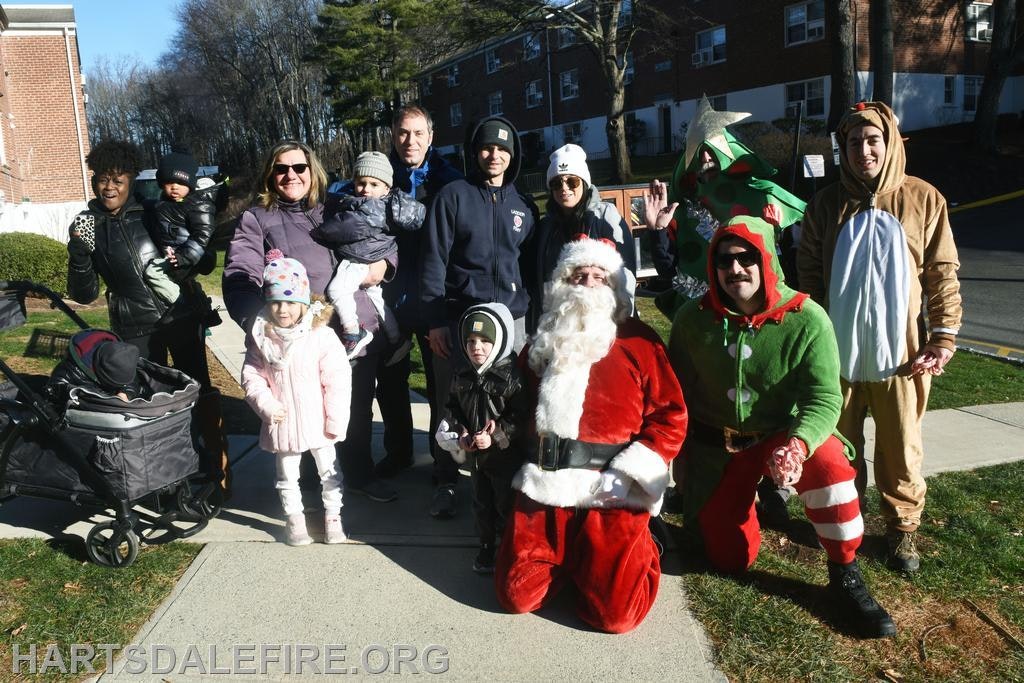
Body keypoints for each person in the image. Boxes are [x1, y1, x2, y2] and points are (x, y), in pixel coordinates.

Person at [669, 215, 896, 639]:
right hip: (717, 449)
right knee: (728, 559)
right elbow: (675, 397)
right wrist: (681, 459)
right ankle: (753, 504)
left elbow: (825, 398)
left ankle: (845, 571)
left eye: (746, 257)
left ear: (767, 258)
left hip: (781, 436)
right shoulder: (691, 319)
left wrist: (798, 444)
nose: (734, 269)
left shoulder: (808, 319)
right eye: (723, 260)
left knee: (830, 467)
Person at [797, 101, 963, 573]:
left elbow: (941, 273)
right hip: (837, 357)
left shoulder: (924, 199)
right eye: (854, 143)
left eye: (873, 140)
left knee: (901, 447)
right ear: (843, 150)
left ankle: (901, 530)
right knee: (838, 448)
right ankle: (843, 520)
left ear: (889, 143)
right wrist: (809, 335)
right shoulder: (827, 204)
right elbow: (808, 271)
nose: (864, 151)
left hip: (902, 357)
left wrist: (943, 337)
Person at [495, 237, 686, 634]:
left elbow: (672, 416)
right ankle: (574, 559)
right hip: (548, 482)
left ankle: (645, 544)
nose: (587, 284)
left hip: (614, 488)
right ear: (563, 283)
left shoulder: (640, 341)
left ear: (614, 288)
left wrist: (632, 472)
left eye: (599, 277)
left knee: (615, 616)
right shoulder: (542, 341)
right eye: (578, 275)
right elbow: (512, 406)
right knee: (516, 596)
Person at [223, 140, 398, 504]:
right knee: (300, 408)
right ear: (270, 174)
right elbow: (241, 272)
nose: (291, 175)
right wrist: (257, 321)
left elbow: (381, 234)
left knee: (353, 407)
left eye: (299, 167)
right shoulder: (256, 218)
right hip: (300, 339)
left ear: (312, 170)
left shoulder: (337, 205)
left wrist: (384, 265)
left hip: (352, 332)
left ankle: (358, 474)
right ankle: (305, 483)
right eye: (281, 168)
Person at [67, 140, 230, 495]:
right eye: (102, 180)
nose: (109, 187)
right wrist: (79, 253)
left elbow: (204, 262)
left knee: (196, 393)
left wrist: (194, 256)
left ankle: (215, 468)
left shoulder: (154, 211)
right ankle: (165, 480)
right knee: (149, 405)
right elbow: (83, 294)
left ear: (130, 181)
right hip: (134, 328)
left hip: (180, 317)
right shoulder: (88, 224)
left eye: (118, 180)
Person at [420, 115, 538, 519]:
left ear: (513, 155)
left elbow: (532, 267)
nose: (494, 155)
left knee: (510, 401)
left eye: (503, 149)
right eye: (487, 147)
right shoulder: (453, 196)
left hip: (512, 320)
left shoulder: (523, 205)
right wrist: (436, 320)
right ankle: (446, 479)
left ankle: (509, 477)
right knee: (451, 400)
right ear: (475, 152)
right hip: (460, 319)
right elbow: (433, 260)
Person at [644, 95, 805, 315]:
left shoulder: (761, 196)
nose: (706, 157)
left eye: (711, 147)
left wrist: (777, 235)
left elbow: (795, 263)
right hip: (705, 319)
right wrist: (658, 230)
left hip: (758, 314)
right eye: (699, 151)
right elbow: (669, 272)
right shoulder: (682, 210)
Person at [372, 105, 464, 481]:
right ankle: (399, 451)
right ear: (393, 135)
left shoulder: (449, 181)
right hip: (390, 298)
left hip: (434, 299)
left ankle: (443, 462)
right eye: (402, 133)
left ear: (431, 136)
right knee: (391, 380)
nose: (410, 141)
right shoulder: (380, 177)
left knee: (440, 383)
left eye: (417, 133)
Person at [241, 251, 351, 546]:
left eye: (290, 302)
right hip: (282, 420)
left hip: (319, 422)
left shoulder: (321, 337)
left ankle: (333, 516)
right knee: (287, 475)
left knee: (329, 471)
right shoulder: (262, 337)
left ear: (304, 303)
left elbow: (337, 381)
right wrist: (266, 405)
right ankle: (295, 519)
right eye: (275, 301)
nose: (282, 309)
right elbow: (252, 376)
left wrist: (336, 420)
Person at [434, 302, 527, 574]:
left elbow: (519, 416)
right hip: (476, 459)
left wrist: (496, 436)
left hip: (504, 457)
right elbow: (452, 408)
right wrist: (460, 433)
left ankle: (508, 545)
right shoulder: (462, 374)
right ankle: (486, 545)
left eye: (485, 340)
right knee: (481, 503)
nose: (477, 347)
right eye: (471, 340)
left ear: (499, 342)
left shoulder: (510, 376)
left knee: (505, 503)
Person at [312, 151, 424, 357]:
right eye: (361, 183)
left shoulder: (373, 208)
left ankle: (354, 333)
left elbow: (345, 228)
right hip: (372, 255)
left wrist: (318, 231)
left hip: (361, 259)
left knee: (337, 290)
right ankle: (396, 338)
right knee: (377, 299)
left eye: (374, 184)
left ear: (386, 188)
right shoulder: (389, 206)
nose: (366, 189)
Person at [529, 143, 636, 331]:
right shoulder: (546, 225)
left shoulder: (605, 216)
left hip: (601, 321)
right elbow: (541, 276)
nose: (564, 188)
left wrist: (624, 314)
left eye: (572, 181)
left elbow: (625, 270)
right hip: (559, 322)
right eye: (556, 183)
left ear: (584, 183)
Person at [144, 148, 224, 306]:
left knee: (152, 272)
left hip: (187, 257)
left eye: (181, 182)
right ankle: (199, 303)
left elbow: (203, 235)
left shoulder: (198, 204)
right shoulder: (164, 203)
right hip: (175, 255)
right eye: (169, 182)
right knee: (187, 284)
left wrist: (183, 257)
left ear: (191, 184)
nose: (174, 187)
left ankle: (180, 304)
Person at [47, 331, 150, 406]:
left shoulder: (123, 359)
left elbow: (131, 381)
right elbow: (55, 389)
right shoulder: (72, 369)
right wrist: (93, 396)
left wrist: (126, 393)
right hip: (86, 406)